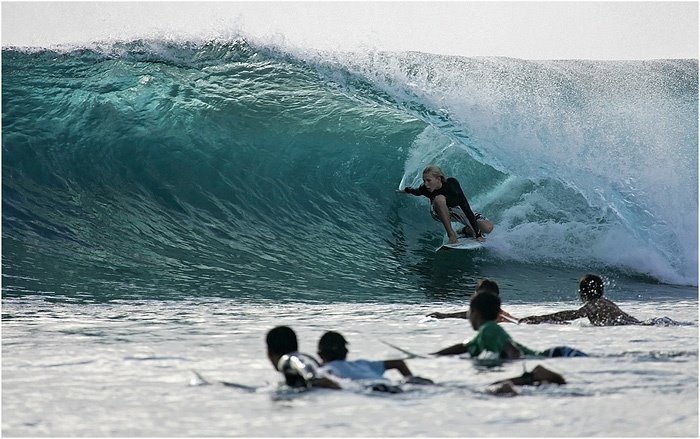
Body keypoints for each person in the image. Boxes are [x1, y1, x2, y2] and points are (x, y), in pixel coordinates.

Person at [431, 291, 586, 359]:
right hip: (555, 355)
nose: (467, 316)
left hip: (558, 355)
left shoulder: (489, 329)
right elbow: (463, 347)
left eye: (469, 312)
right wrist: (433, 356)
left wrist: (523, 376)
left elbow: (514, 352)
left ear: (476, 314)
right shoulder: (486, 332)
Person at [401, 164, 493, 244]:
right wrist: (404, 190)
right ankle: (451, 235)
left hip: (455, 209)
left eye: (428, 180)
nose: (426, 184)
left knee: (488, 227)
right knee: (439, 199)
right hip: (437, 212)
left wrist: (477, 234)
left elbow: (465, 207)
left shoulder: (452, 184)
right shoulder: (425, 188)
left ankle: (464, 230)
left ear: (438, 178)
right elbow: (415, 191)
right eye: (424, 180)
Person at [317, 331, 433, 392]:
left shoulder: (327, 370)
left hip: (376, 389)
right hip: (393, 385)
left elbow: (327, 382)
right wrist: (409, 378)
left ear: (320, 354)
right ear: (346, 351)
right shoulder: (362, 364)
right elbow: (399, 363)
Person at [518, 273, 646, 326]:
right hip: (639, 324)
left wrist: (540, 319)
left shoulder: (595, 304)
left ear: (582, 292)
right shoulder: (606, 302)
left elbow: (573, 315)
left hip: (636, 326)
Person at [266, 326, 340, 390]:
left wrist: (312, 378)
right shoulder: (310, 358)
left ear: (269, 353)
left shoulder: (287, 360)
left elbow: (301, 365)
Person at [426, 279, 518, 323]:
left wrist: (446, 316)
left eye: (476, 294)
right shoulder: (492, 313)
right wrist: (445, 315)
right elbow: (468, 314)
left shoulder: (497, 318)